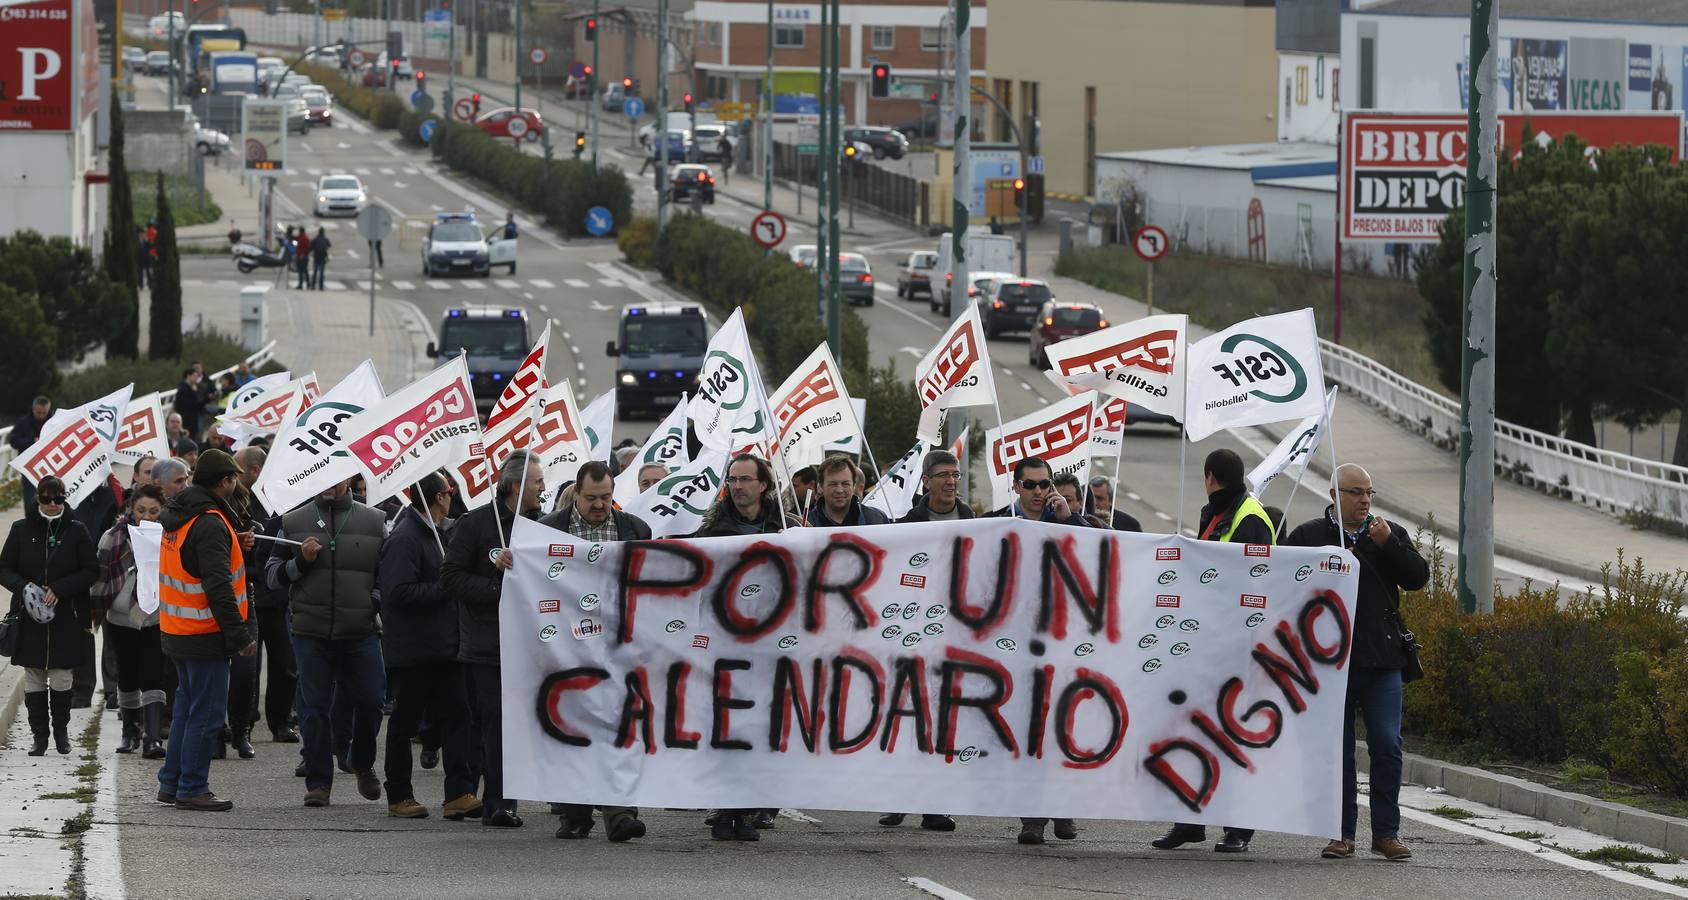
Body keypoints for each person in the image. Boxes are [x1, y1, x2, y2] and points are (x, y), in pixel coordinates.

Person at [1284, 464, 1428, 863]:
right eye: (1356, 492)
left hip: (1382, 660)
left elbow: (1418, 578)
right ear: (1334, 494)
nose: (1365, 500)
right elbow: (1284, 586)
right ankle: (1340, 833)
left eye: (1369, 492)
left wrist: (1390, 546)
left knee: (1387, 744)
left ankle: (1386, 832)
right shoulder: (1310, 536)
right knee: (1339, 751)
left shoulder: (1388, 533)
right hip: (1331, 665)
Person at [1152, 448, 1275, 855]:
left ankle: (1239, 826)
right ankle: (1190, 820)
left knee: (1233, 735)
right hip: (1209, 640)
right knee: (1195, 730)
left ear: (1209, 477)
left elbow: (1245, 579)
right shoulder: (1219, 512)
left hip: (1241, 644)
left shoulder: (1249, 517)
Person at [537, 461, 650, 843]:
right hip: (566, 646)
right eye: (591, 498)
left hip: (619, 645)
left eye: (606, 497)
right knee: (574, 727)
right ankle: (575, 814)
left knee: (619, 726)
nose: (600, 505)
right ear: (576, 493)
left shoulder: (635, 529)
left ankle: (620, 814)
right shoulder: (547, 529)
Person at [265, 477, 387, 808]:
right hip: (311, 632)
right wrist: (300, 562)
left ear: (349, 477)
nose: (329, 483)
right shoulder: (292, 521)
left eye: (337, 476)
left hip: (360, 630)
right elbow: (272, 576)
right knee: (314, 708)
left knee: (373, 700)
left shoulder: (374, 520)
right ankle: (318, 782)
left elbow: (385, 573)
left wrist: (373, 601)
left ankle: (361, 761)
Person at [982, 457, 1085, 844]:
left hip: (1062, 643)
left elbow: (1088, 558)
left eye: (1045, 485)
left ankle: (1062, 808)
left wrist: (1068, 521)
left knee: (1060, 729)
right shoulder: (997, 523)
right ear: (1016, 487)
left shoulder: (1066, 522)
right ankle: (1033, 818)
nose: (1040, 492)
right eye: (1031, 485)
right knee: (1030, 732)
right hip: (1015, 645)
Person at [443, 451, 544, 829]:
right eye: (537, 481)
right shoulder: (475, 525)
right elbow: (450, 577)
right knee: (496, 724)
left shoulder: (542, 524)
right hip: (489, 647)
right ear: (516, 487)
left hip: (536, 645)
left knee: (527, 723)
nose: (543, 487)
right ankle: (499, 802)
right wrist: (497, 580)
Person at [155, 450, 258, 811]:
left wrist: (234, 543)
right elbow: (217, 586)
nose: (237, 484)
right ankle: (193, 787)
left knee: (186, 707)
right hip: (204, 632)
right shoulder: (209, 521)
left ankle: (172, 781)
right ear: (225, 481)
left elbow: (197, 562)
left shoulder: (184, 513)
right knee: (207, 713)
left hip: (179, 629)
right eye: (234, 479)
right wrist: (239, 634)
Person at [691, 453, 784, 840]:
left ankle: (747, 810)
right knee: (726, 726)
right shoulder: (711, 530)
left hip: (771, 646)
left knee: (759, 727)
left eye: (746, 479)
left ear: (764, 484)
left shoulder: (788, 529)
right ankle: (725, 807)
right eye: (732, 479)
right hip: (724, 645)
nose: (738, 486)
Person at [379, 472, 478, 821]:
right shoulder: (406, 538)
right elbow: (397, 592)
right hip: (416, 649)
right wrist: (445, 588)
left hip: (445, 646)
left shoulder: (439, 534)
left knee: (457, 715)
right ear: (440, 497)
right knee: (406, 721)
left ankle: (459, 793)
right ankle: (399, 794)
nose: (452, 497)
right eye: (450, 491)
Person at [0, 476, 98, 757]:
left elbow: (91, 570)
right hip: (29, 615)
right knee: (33, 674)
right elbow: (4, 568)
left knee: (61, 675)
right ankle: (39, 737)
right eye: (47, 499)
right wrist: (25, 587)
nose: (53, 504)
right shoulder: (20, 529)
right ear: (37, 499)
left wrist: (60, 589)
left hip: (67, 614)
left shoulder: (77, 530)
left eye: (59, 499)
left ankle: (61, 733)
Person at [93, 484, 169, 758]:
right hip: (122, 614)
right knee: (127, 672)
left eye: (153, 511)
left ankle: (152, 736)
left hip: (156, 615)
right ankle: (129, 731)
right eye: (140, 510)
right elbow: (100, 577)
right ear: (130, 509)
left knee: (153, 672)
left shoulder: (169, 537)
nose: (146, 516)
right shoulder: (113, 537)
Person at [235, 448, 296, 745]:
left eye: (238, 469)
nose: (233, 476)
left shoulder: (279, 502)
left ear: (255, 470)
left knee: (285, 663)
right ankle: (243, 723)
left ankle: (281, 722)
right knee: (248, 667)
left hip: (276, 597)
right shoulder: (234, 505)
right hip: (247, 596)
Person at [804, 456, 890, 528]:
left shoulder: (877, 519)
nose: (839, 490)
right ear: (820, 487)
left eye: (845, 484)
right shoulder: (805, 524)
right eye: (833, 484)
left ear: (854, 486)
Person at [897, 450, 971, 524]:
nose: (951, 482)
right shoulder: (907, 525)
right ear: (926, 482)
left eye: (956, 475)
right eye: (943, 475)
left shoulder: (973, 522)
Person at [11, 396, 53, 507]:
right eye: (39, 412)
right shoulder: (22, 422)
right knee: (30, 498)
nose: (41, 415)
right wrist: (32, 441)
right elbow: (14, 441)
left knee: (51, 497)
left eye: (44, 413)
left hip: (50, 466)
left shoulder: (54, 422)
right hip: (29, 466)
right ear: (33, 409)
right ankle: (30, 521)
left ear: (48, 410)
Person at [174, 368, 207, 440]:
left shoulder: (192, 388)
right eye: (195, 376)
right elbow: (189, 405)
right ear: (188, 376)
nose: (196, 378)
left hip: (192, 420)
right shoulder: (183, 389)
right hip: (186, 422)